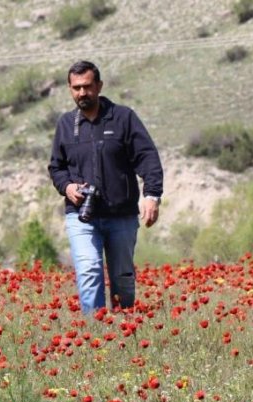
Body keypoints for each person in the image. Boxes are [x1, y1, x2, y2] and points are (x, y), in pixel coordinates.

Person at [47, 60, 163, 314]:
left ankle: (124, 326)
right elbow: (56, 167)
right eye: (76, 88)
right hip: (81, 215)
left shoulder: (123, 118)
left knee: (122, 279)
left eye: (87, 86)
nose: (82, 93)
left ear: (99, 86)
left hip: (120, 214)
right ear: (69, 89)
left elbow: (147, 157)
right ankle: (96, 335)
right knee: (89, 269)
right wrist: (67, 188)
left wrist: (152, 194)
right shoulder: (66, 125)